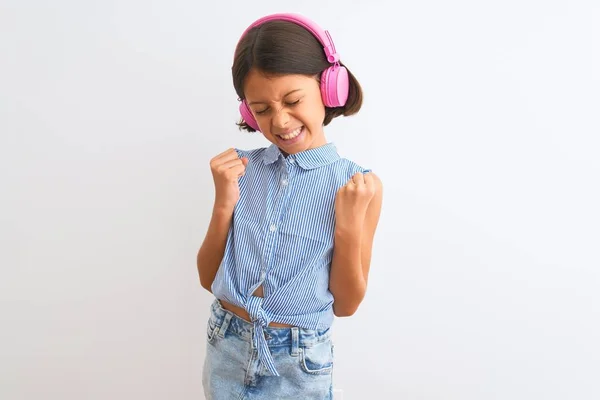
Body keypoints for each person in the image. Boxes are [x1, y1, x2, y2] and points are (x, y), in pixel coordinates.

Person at [196, 12, 383, 400]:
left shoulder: (358, 187)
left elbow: (346, 305)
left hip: (299, 361)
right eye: (261, 109)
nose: (280, 121)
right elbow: (206, 277)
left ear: (329, 89)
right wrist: (223, 204)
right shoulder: (238, 170)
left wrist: (347, 226)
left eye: (293, 100)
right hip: (226, 343)